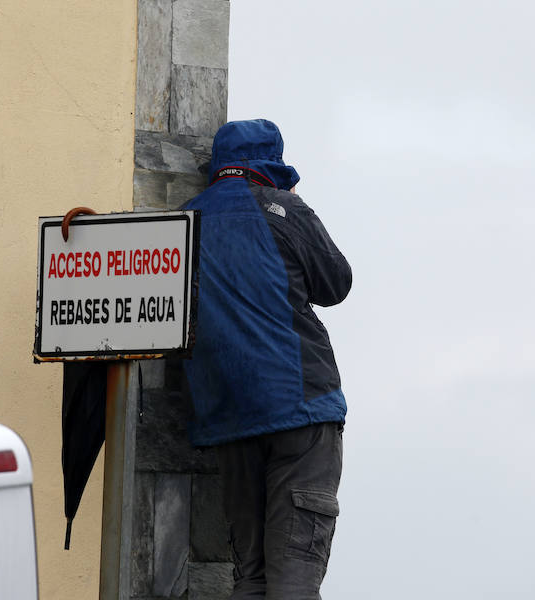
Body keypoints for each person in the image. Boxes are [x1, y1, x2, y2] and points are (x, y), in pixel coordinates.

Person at [180, 119, 351, 599]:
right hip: (301, 407)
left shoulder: (183, 220)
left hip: (228, 416)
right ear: (271, 164)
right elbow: (335, 284)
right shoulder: (284, 208)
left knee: (251, 577)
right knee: (295, 575)